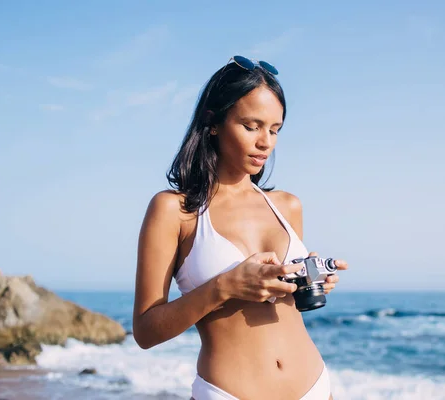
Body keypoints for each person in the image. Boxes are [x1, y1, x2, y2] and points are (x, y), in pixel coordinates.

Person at [132, 56, 349, 400]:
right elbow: (145, 331)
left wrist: (309, 280)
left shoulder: (287, 206)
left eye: (275, 129)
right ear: (213, 122)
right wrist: (225, 286)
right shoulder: (175, 209)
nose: (266, 142)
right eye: (252, 126)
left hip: (314, 388)